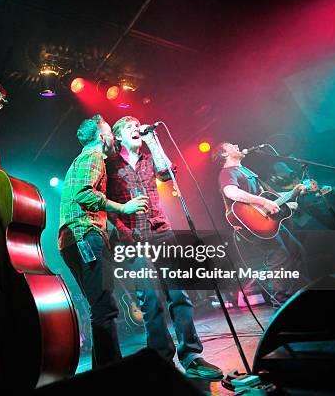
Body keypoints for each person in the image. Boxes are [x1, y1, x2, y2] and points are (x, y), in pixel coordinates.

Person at [105, 116, 223, 380]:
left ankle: (191, 355)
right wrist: (122, 231)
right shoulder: (110, 165)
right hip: (132, 238)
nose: (136, 128)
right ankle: (161, 359)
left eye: (138, 125)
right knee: (149, 300)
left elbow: (168, 174)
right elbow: (106, 203)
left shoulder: (149, 159)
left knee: (178, 294)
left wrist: (152, 140)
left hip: (161, 232)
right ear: (118, 137)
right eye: (129, 127)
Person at [58, 114, 150, 368]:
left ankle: (103, 374)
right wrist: (124, 207)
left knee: (100, 307)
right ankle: (113, 377)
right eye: (109, 132)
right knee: (105, 308)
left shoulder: (83, 159)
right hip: (85, 236)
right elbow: (84, 194)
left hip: (76, 239)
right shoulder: (93, 156)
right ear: (101, 137)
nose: (111, 138)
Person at [212, 142, 307, 306]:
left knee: (295, 250)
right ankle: (281, 301)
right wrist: (263, 201)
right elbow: (231, 192)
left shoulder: (246, 171)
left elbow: (270, 199)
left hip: (268, 221)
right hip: (254, 224)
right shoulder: (227, 172)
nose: (236, 145)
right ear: (224, 155)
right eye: (230, 145)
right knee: (279, 255)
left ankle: (296, 293)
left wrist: (294, 192)